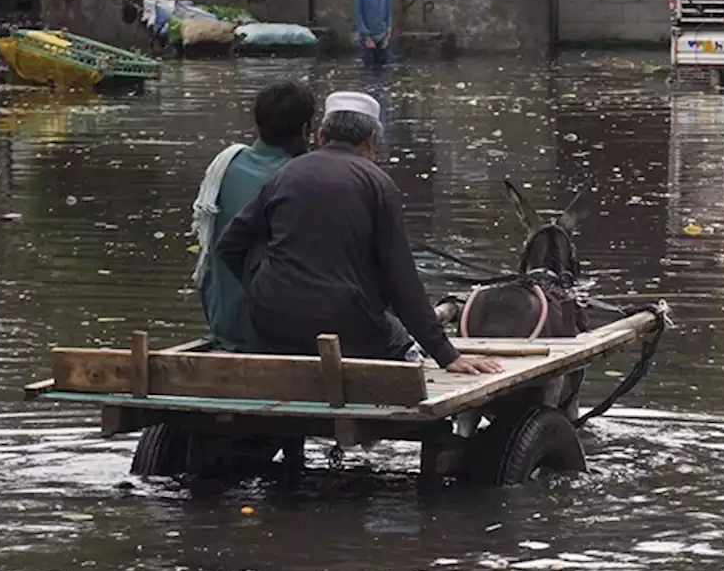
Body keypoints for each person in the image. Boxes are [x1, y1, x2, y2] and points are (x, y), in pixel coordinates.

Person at [216, 91, 501, 376]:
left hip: (271, 325)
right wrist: (445, 353)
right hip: (346, 327)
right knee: (397, 338)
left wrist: (262, 288)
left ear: (322, 136)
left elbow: (229, 244)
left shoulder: (285, 174)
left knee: (264, 247)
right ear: (370, 142)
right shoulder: (377, 182)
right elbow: (401, 279)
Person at [192, 80, 317, 351]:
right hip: (269, 333)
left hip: (223, 321)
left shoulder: (227, 164)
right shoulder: (303, 178)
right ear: (306, 130)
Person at [356, 0, 393, 68]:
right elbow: (359, 16)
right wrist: (367, 37)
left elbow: (388, 15)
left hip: (382, 37)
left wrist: (387, 35)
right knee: (369, 71)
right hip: (367, 38)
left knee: (385, 70)